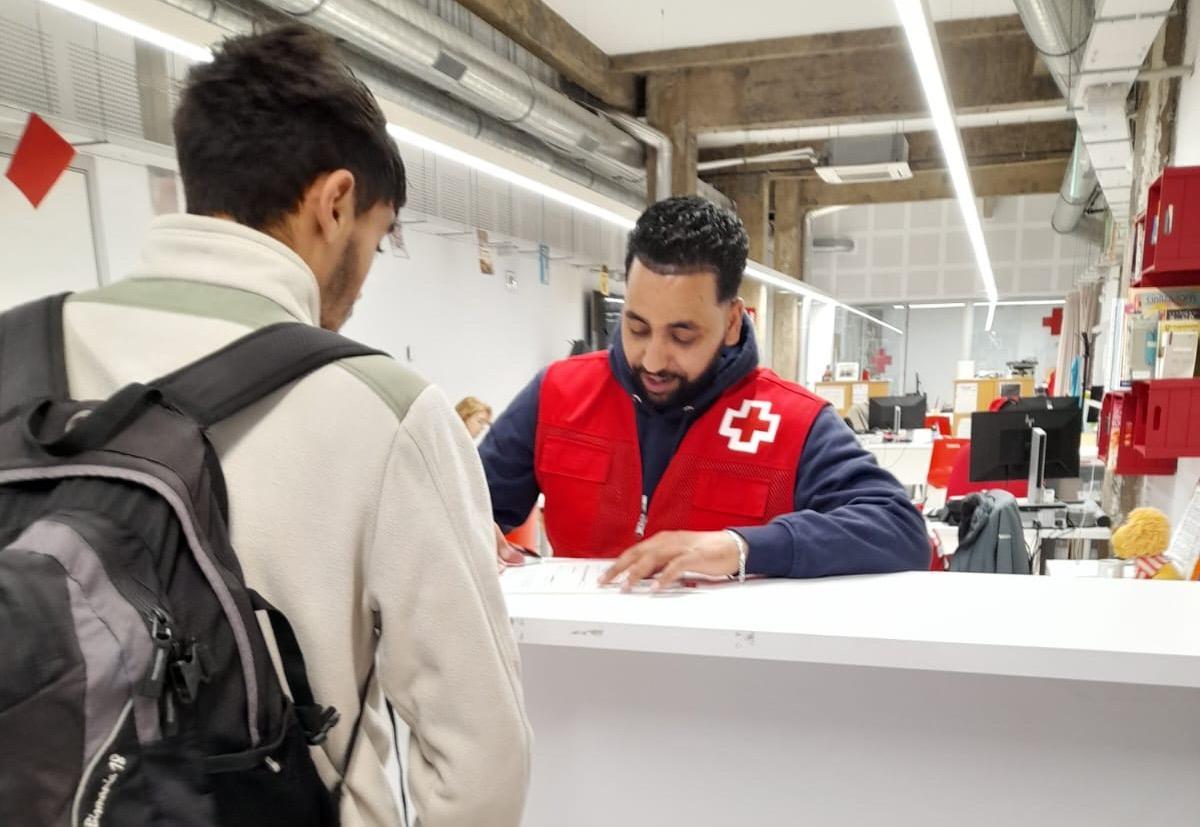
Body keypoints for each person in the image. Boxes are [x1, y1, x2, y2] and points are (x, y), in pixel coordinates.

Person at [56, 25, 528, 827]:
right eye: (378, 237)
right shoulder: (385, 409)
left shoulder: (18, 357)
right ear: (336, 202)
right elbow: (482, 764)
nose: (365, 277)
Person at [481, 196, 929, 588]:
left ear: (732, 321)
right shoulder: (558, 393)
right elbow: (459, 503)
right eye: (636, 327)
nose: (653, 360)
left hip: (722, 676)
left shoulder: (793, 422)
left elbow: (899, 530)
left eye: (683, 336)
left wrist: (743, 547)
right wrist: (473, 531)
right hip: (576, 664)